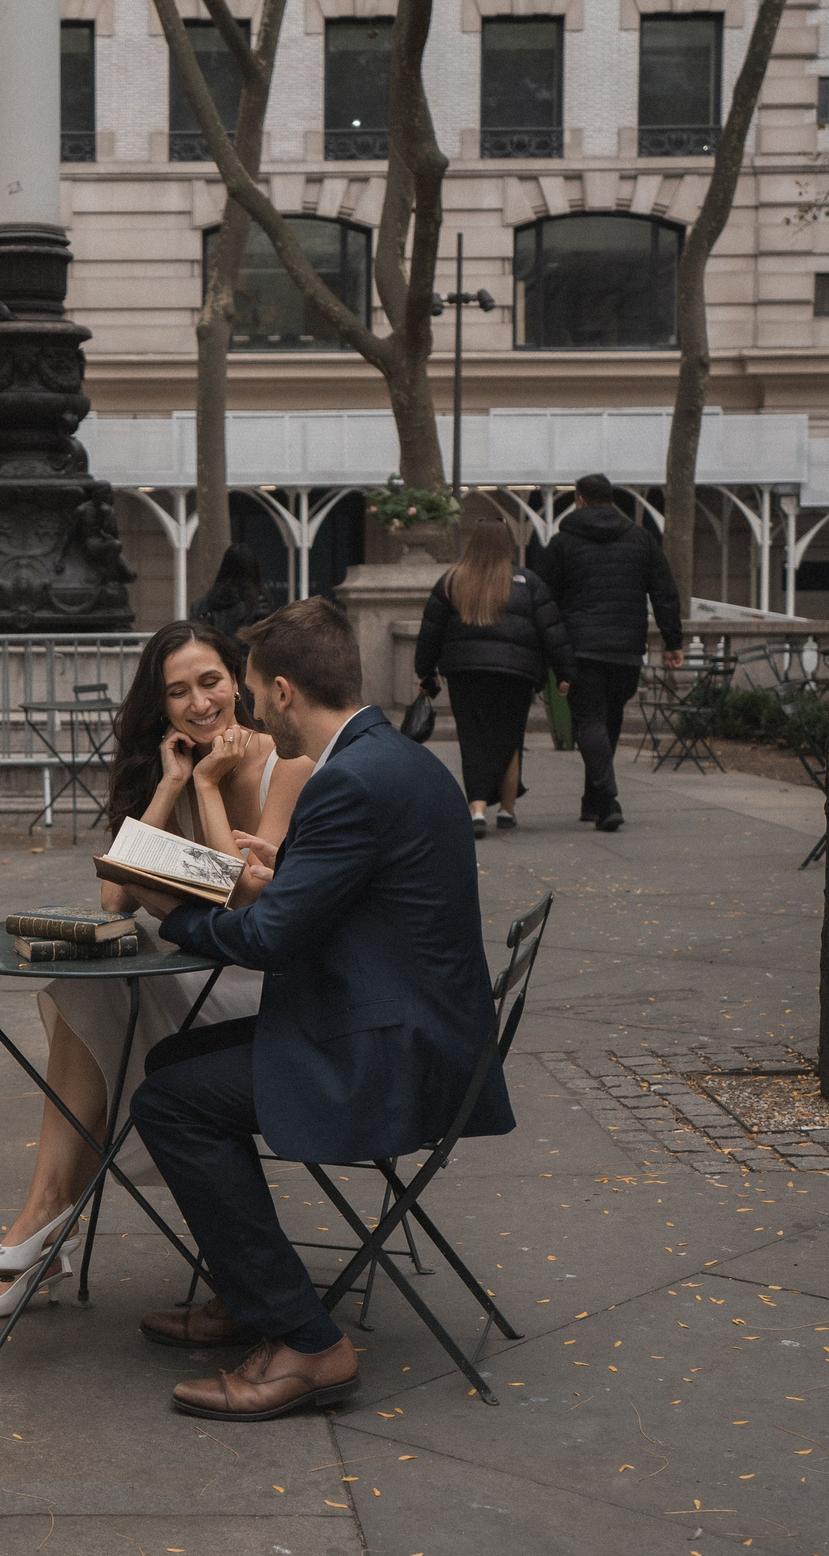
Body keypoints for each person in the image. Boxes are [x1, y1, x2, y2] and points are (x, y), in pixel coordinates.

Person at [124, 596, 511, 1421]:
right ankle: (246, 1292)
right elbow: (339, 895)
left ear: (287, 691)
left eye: (255, 692)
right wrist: (285, 861)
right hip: (413, 1023)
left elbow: (267, 940)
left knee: (169, 1103)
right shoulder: (386, 757)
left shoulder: (350, 782)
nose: (253, 709)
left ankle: (306, 1341)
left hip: (390, 1054)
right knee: (172, 1066)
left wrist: (172, 912)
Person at [0, 621, 314, 1321]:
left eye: (210, 681)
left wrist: (207, 782)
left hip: (258, 989)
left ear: (239, 679)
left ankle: (42, 1231)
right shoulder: (169, 768)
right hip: (197, 973)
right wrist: (171, 784)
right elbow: (115, 896)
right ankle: (43, 1223)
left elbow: (239, 890)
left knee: (105, 1000)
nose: (200, 703)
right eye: (178, 692)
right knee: (101, 991)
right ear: (161, 706)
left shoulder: (283, 764)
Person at [539, 474, 684, 832]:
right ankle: (594, 800)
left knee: (589, 721)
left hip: (581, 648)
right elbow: (664, 592)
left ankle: (607, 799)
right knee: (610, 719)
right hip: (626, 646)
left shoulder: (562, 543)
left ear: (580, 499)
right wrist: (673, 641)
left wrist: (547, 647)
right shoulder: (641, 539)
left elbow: (544, 599)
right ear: (612, 499)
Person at [415, 518, 574, 837]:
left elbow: (431, 630)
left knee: (472, 737)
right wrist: (564, 672)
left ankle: (476, 810)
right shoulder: (527, 582)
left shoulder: (452, 581)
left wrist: (425, 671)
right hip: (515, 674)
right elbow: (552, 630)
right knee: (510, 738)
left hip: (465, 672)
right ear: (507, 544)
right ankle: (506, 809)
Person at [189, 545, 274, 649]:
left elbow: (195, 641)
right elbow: (263, 643)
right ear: (254, 569)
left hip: (213, 661)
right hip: (246, 663)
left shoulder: (201, 605)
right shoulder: (259, 602)